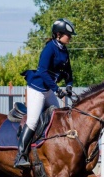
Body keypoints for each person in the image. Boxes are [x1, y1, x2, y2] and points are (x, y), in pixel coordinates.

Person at [14, 18, 76, 169]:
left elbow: (68, 71)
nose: (71, 37)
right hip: (37, 88)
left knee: (58, 116)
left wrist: (68, 85)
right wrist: (56, 89)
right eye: (68, 34)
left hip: (48, 89)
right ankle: (20, 155)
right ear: (58, 34)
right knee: (33, 121)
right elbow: (42, 72)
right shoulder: (50, 48)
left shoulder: (63, 50)